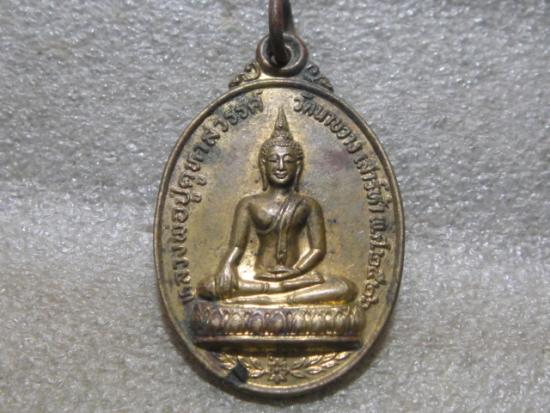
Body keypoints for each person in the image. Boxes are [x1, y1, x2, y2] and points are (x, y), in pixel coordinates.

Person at [197, 107, 357, 305]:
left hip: (297, 278)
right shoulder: (249, 204)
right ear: (263, 165)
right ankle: (280, 294)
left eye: (288, 161)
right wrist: (226, 266)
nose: (280, 166)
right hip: (259, 279)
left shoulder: (308, 205)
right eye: (274, 160)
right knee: (207, 286)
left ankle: (273, 298)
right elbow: (237, 246)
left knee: (346, 288)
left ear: (298, 167)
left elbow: (317, 249)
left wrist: (295, 271)